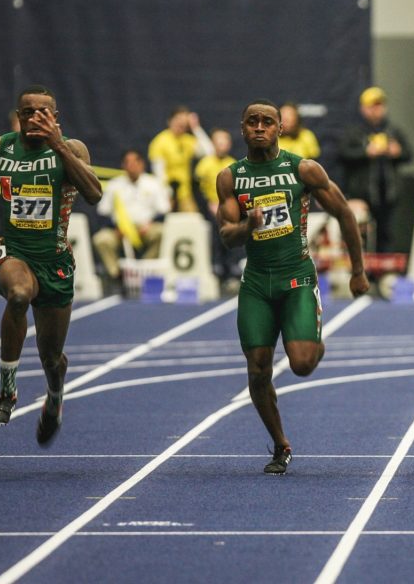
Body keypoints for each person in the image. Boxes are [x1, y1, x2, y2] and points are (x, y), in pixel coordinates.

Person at [216, 99, 369, 474]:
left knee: (301, 364)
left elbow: (345, 213)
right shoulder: (230, 177)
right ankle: (281, 444)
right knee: (258, 369)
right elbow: (226, 236)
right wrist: (247, 227)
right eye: (251, 121)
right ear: (242, 128)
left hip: (297, 277)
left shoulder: (302, 169)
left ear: (280, 128)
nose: (259, 127)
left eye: (267, 121)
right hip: (256, 284)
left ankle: (312, 338)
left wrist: (358, 271)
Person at [0, 85, 103, 445]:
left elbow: (94, 195)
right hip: (15, 251)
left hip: (56, 263)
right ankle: (7, 392)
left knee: (51, 357)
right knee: (17, 295)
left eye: (42, 113)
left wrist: (58, 144)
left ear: (55, 117)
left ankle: (55, 397)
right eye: (27, 112)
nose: (34, 118)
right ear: (17, 116)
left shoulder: (72, 149)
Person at [339, 86, 413, 252]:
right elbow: (343, 154)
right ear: (363, 109)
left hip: (388, 193)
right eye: (372, 106)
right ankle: (360, 270)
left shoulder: (393, 131)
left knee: (386, 234)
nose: (377, 110)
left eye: (380, 105)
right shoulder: (354, 132)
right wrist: (365, 153)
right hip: (362, 195)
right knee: (360, 233)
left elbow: (409, 155)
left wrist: (397, 152)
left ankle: (383, 273)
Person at [92, 149, 172, 285]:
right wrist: (116, 228)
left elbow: (164, 211)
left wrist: (150, 224)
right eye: (128, 163)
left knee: (162, 233)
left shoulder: (153, 183)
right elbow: (103, 212)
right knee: (101, 239)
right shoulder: (114, 185)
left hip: (145, 227)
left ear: (142, 164)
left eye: (135, 162)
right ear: (123, 166)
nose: (132, 166)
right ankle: (117, 275)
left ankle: (142, 271)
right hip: (120, 229)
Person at [194, 128, 243, 283]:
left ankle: (233, 263)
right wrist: (208, 204)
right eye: (218, 143)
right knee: (216, 226)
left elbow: (239, 189)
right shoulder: (204, 164)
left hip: (229, 205)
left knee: (235, 226)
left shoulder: (233, 164)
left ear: (229, 145)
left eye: (224, 143)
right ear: (213, 144)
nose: (221, 146)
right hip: (210, 206)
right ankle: (216, 263)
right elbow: (197, 188)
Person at [148, 104, 214, 212]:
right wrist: (166, 194)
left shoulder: (187, 140)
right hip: (165, 192)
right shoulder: (160, 141)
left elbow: (209, 152)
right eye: (178, 119)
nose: (181, 123)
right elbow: (159, 172)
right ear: (169, 121)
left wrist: (196, 128)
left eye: (184, 121)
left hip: (185, 194)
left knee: (192, 223)